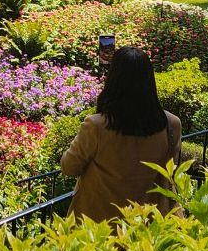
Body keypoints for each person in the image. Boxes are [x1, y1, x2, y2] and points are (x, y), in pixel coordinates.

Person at [62, 47, 182, 221]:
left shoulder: (96, 126)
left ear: (113, 79)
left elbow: (69, 167)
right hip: (147, 227)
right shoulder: (171, 125)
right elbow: (171, 171)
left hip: (98, 228)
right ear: (149, 79)